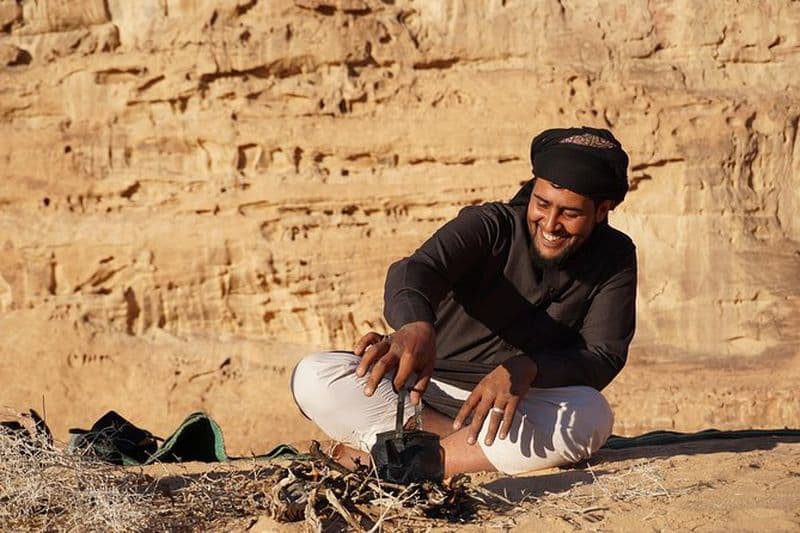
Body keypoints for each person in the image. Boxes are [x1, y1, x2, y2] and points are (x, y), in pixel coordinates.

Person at [291, 127, 637, 477]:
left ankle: (406, 461)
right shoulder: (491, 225)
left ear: (602, 210)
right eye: (542, 204)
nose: (550, 224)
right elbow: (418, 269)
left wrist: (528, 367)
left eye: (570, 213)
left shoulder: (615, 257)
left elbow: (603, 354)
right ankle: (446, 448)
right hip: (421, 389)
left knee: (591, 415)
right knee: (315, 376)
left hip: (511, 405)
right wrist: (415, 324)